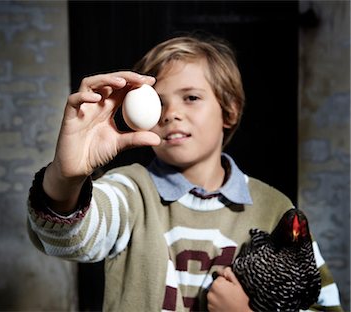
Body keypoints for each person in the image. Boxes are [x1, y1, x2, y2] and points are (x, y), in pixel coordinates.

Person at [27, 35, 342, 311]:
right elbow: (66, 238)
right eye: (158, 103)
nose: (172, 114)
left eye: (191, 97)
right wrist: (67, 176)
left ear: (229, 110)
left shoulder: (274, 208)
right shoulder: (131, 193)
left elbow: (322, 304)